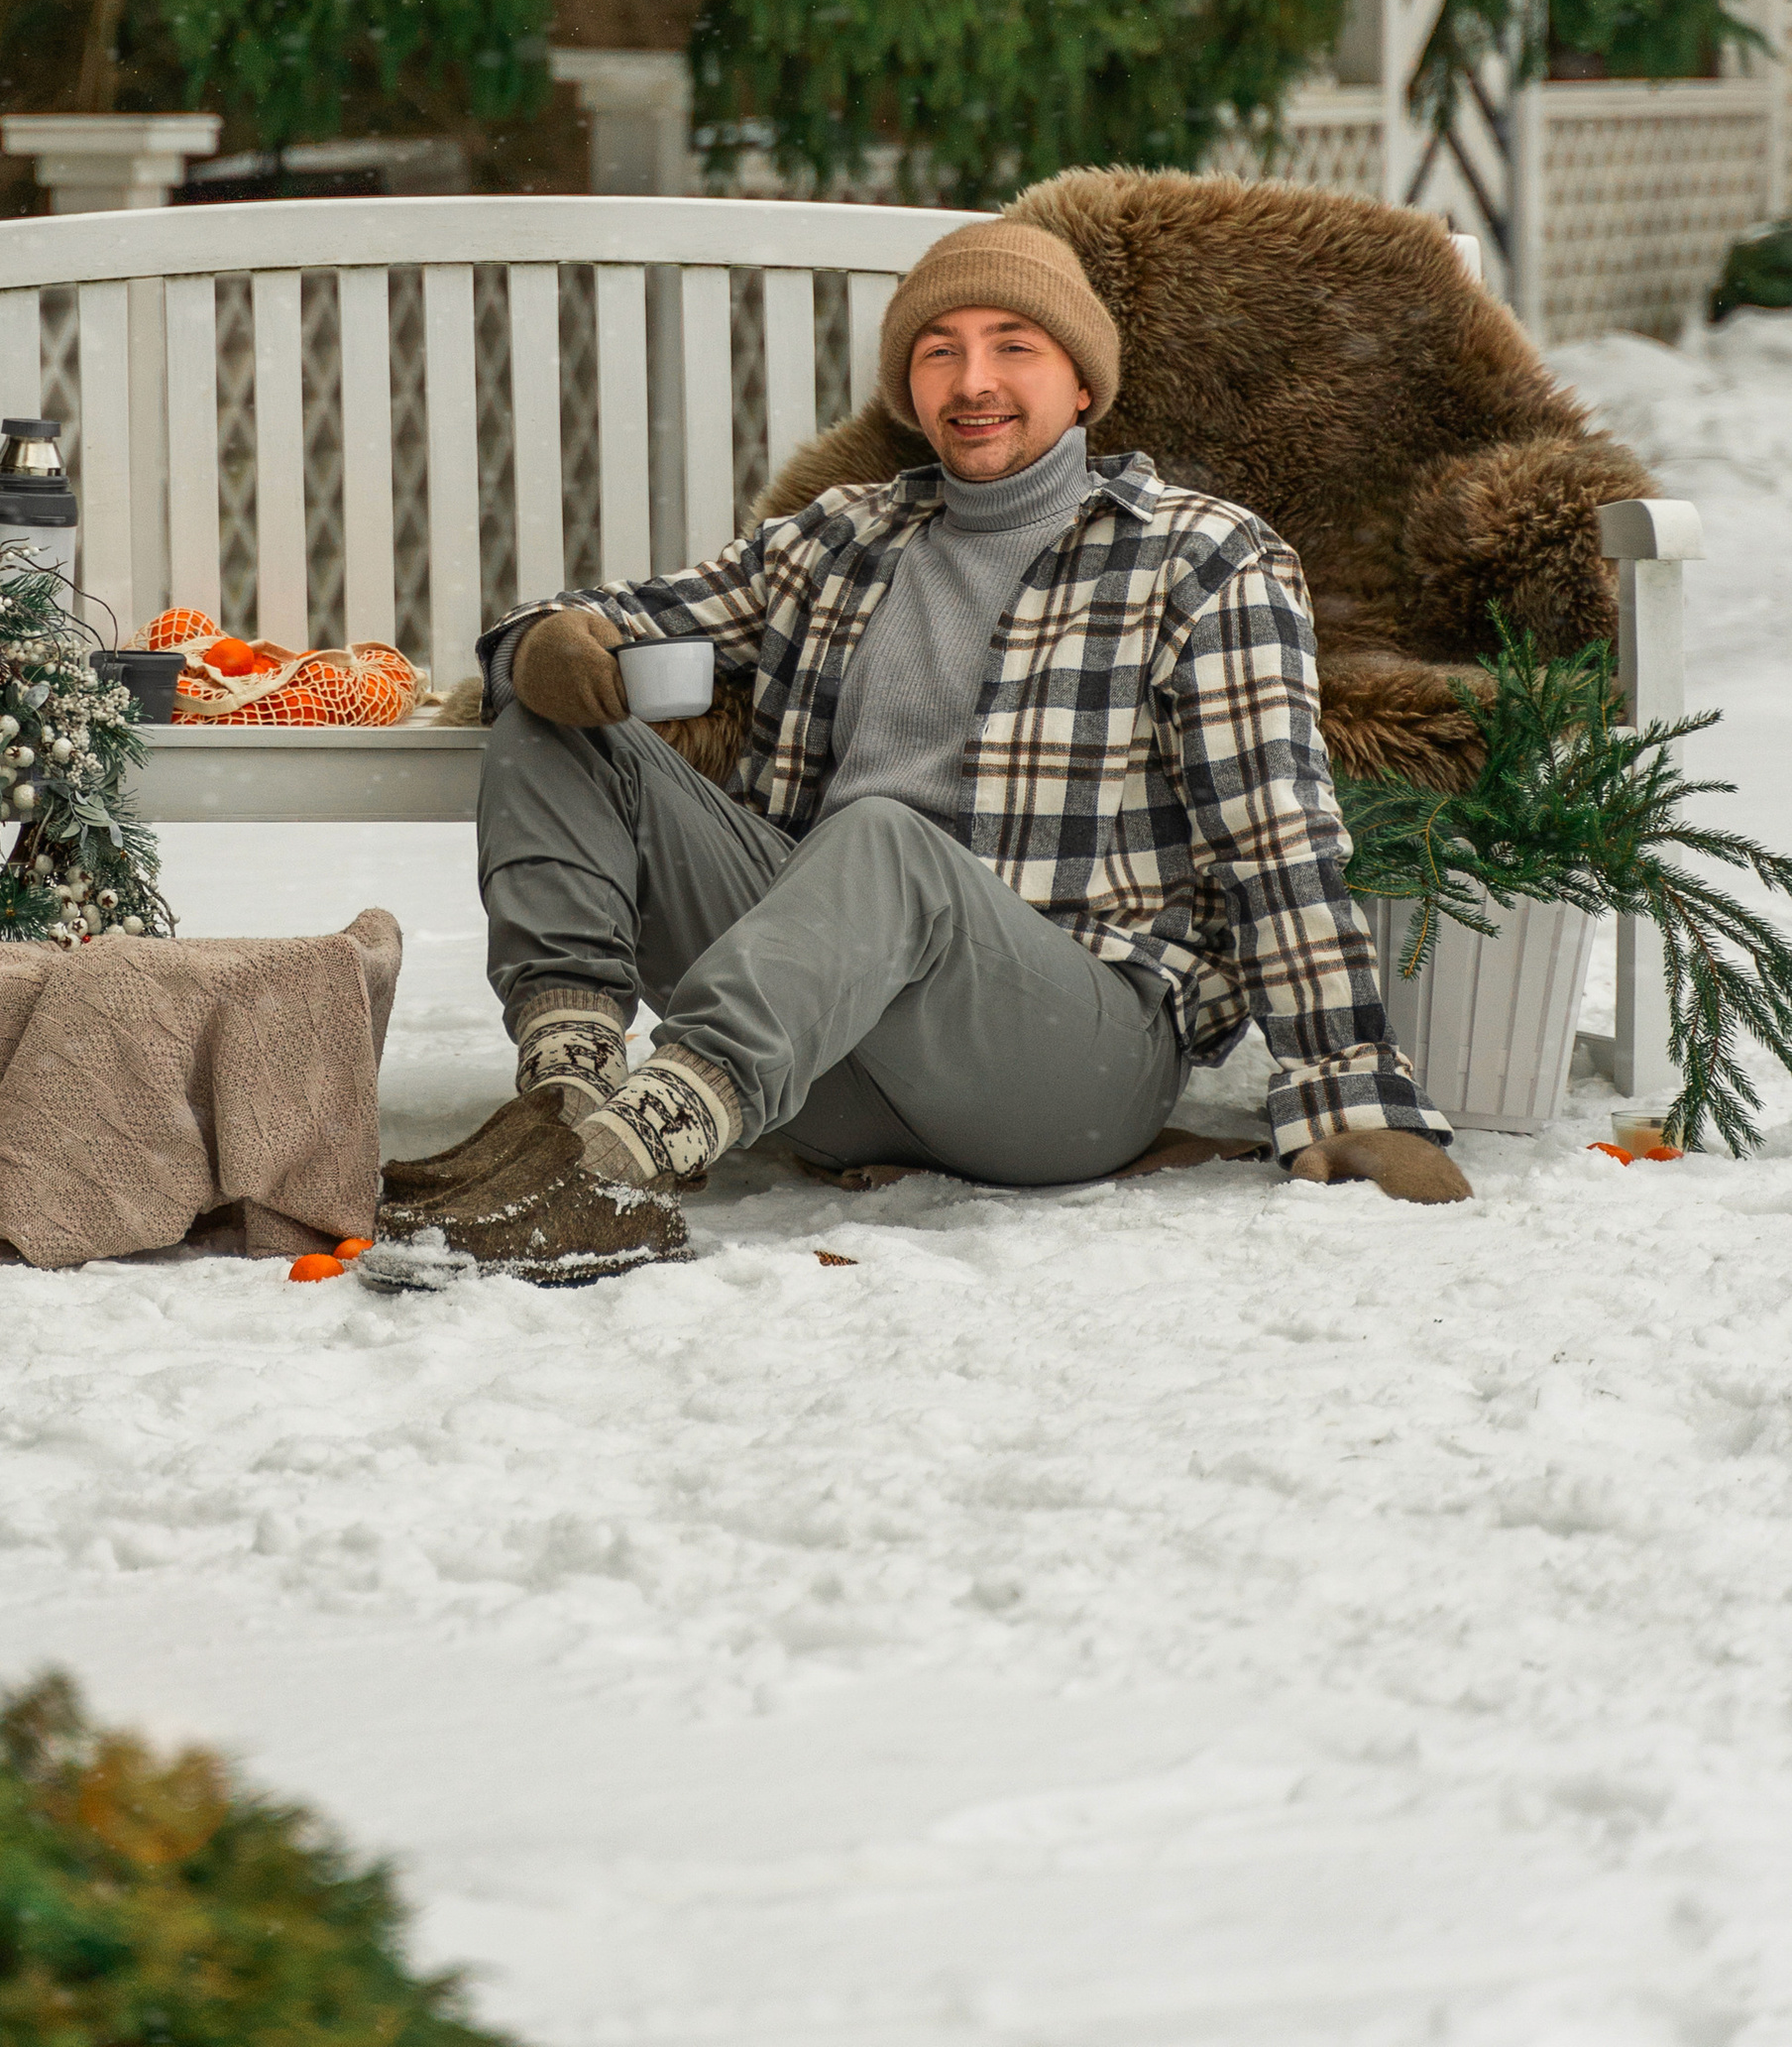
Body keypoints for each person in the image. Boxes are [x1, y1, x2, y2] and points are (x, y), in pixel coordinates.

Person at [384, 214, 1469, 1283]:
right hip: (820, 1041)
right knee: (553, 705)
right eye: (939, 352)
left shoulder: (1200, 555)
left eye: (1014, 347)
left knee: (882, 841)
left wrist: (1347, 1086)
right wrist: (547, 640)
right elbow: (604, 622)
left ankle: (616, 1173)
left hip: (1067, 1058)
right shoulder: (839, 538)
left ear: (1082, 383)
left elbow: (1271, 832)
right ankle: (563, 1110)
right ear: (909, 390)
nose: (972, 380)